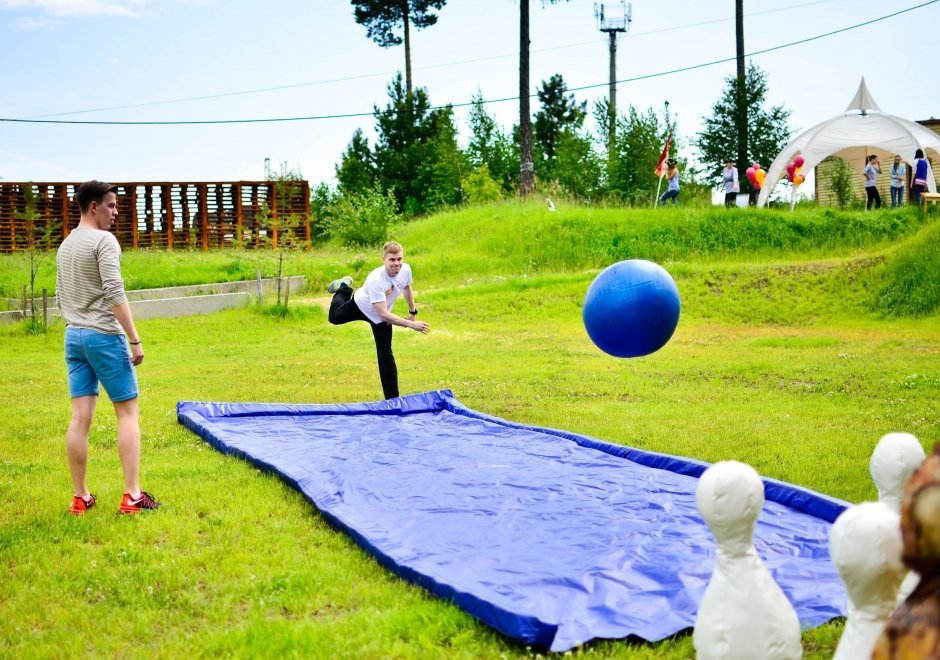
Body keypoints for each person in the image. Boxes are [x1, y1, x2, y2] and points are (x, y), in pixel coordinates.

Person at [56, 180, 160, 515]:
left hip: (74, 338)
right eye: (112, 206)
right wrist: (134, 337)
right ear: (93, 207)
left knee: (79, 420)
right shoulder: (104, 241)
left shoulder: (66, 245)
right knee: (128, 414)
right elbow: (115, 292)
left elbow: (61, 296)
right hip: (103, 336)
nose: (116, 213)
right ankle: (131, 495)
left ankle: (80, 497)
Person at [327, 241, 430, 399]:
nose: (397, 264)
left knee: (385, 353)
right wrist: (411, 325)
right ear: (383, 259)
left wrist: (412, 311)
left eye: (399, 259)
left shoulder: (406, 270)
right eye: (392, 260)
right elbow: (383, 314)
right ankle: (344, 288)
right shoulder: (376, 280)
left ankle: (392, 400)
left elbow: (407, 288)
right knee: (334, 318)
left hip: (380, 316)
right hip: (361, 306)